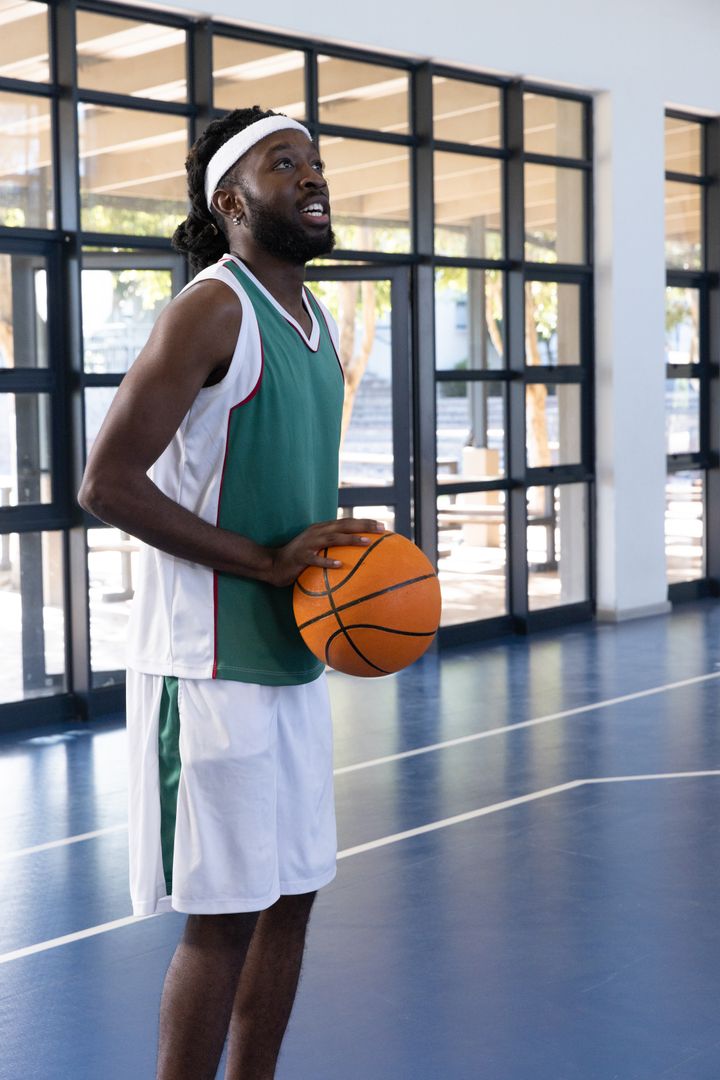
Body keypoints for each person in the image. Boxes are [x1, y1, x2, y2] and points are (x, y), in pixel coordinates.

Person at [78, 105, 384, 1080]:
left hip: (293, 656)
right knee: (224, 919)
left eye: (315, 161)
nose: (312, 176)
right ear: (232, 202)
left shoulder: (315, 320)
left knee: (292, 898)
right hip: (207, 667)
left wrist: (336, 562)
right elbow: (105, 483)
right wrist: (263, 561)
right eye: (283, 163)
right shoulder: (212, 309)